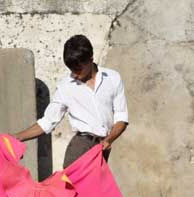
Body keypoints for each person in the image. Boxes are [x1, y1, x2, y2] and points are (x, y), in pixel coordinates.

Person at [12, 34, 129, 168]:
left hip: (102, 147)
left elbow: (121, 117)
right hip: (80, 147)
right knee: (75, 188)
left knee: (97, 189)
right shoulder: (65, 87)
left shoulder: (113, 78)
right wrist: (17, 137)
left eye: (78, 69)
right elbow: (48, 121)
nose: (74, 74)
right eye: (71, 70)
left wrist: (108, 140)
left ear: (90, 60)